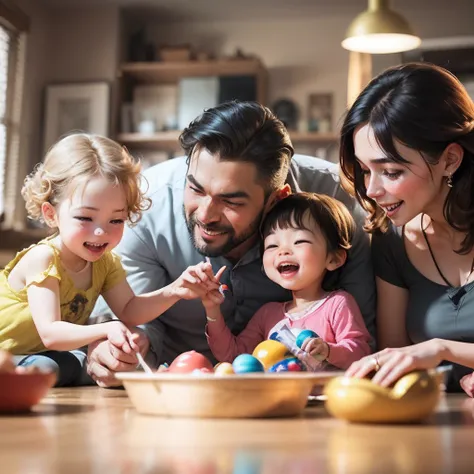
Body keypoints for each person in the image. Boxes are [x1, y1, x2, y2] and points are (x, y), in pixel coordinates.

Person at [88, 101, 375, 387]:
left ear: (277, 199)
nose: (205, 214)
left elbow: (364, 338)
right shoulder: (142, 211)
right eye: (195, 189)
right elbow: (133, 318)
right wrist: (117, 351)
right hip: (181, 391)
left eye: (231, 201)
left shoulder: (342, 203)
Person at [0, 133, 222, 386]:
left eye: (116, 220)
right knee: (53, 366)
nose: (101, 232)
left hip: (37, 355)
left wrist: (176, 290)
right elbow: (51, 333)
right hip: (10, 352)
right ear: (51, 214)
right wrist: (108, 328)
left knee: (80, 366)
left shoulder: (105, 263)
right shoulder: (44, 258)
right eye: (85, 218)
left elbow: (130, 310)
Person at [340, 62, 474, 394]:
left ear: (450, 160)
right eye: (364, 170)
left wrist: (443, 349)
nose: (371, 190)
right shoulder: (391, 240)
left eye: (391, 171)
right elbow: (397, 359)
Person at [203, 192, 372, 370]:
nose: (283, 251)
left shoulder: (337, 304)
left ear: (334, 259)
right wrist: (212, 309)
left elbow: (361, 353)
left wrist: (329, 350)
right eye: (273, 245)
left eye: (299, 241)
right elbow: (233, 355)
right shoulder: (267, 314)